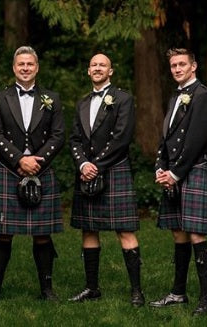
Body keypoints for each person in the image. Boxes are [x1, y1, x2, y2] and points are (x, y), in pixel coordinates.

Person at [0, 46, 65, 301]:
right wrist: (19, 159)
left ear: (37, 68)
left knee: (42, 233)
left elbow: (58, 135)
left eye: (30, 64)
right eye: (21, 64)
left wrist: (37, 161)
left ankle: (47, 289)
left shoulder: (52, 98)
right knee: (3, 232)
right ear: (14, 68)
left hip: (42, 168)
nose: (26, 68)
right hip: (10, 169)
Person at [68, 53, 144, 306]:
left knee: (125, 230)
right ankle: (92, 288)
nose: (98, 68)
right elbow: (75, 139)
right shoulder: (81, 103)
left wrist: (96, 165)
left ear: (110, 71)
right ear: (88, 71)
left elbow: (122, 138)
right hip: (87, 171)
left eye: (102, 65)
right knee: (89, 229)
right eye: (93, 65)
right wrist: (82, 163)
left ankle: (136, 291)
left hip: (113, 169)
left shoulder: (123, 99)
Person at [149, 48, 207, 315]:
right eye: (173, 65)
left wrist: (174, 174)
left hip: (193, 171)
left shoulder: (204, 96)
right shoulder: (175, 97)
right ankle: (178, 293)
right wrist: (159, 167)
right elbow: (166, 138)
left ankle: (205, 300)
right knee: (178, 232)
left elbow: (196, 141)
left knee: (196, 233)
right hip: (173, 173)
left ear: (194, 66)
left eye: (181, 64)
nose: (177, 69)